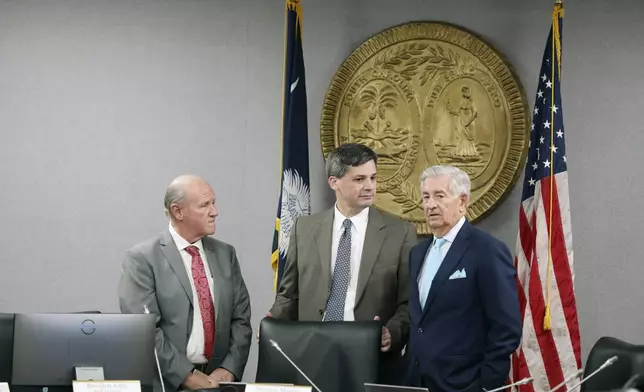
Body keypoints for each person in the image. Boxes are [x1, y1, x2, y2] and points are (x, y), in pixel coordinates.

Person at [268, 143, 417, 383]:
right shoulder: (304, 229)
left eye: (372, 177)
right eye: (359, 179)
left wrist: (392, 333)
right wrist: (272, 320)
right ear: (333, 182)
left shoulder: (400, 233)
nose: (369, 186)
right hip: (311, 355)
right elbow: (289, 293)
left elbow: (408, 302)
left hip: (369, 359)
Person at [118, 175, 252, 392]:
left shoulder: (226, 254)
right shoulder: (142, 259)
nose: (214, 212)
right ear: (178, 211)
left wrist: (229, 368)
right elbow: (145, 330)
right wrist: (185, 375)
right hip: (167, 384)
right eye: (205, 205)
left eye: (214, 203)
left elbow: (241, 319)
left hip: (218, 383)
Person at [404, 165, 522, 392]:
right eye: (426, 197)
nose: (430, 205)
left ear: (462, 201)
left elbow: (506, 328)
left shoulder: (486, 250)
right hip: (417, 383)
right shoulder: (417, 254)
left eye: (440, 196)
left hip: (464, 384)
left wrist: (485, 385)